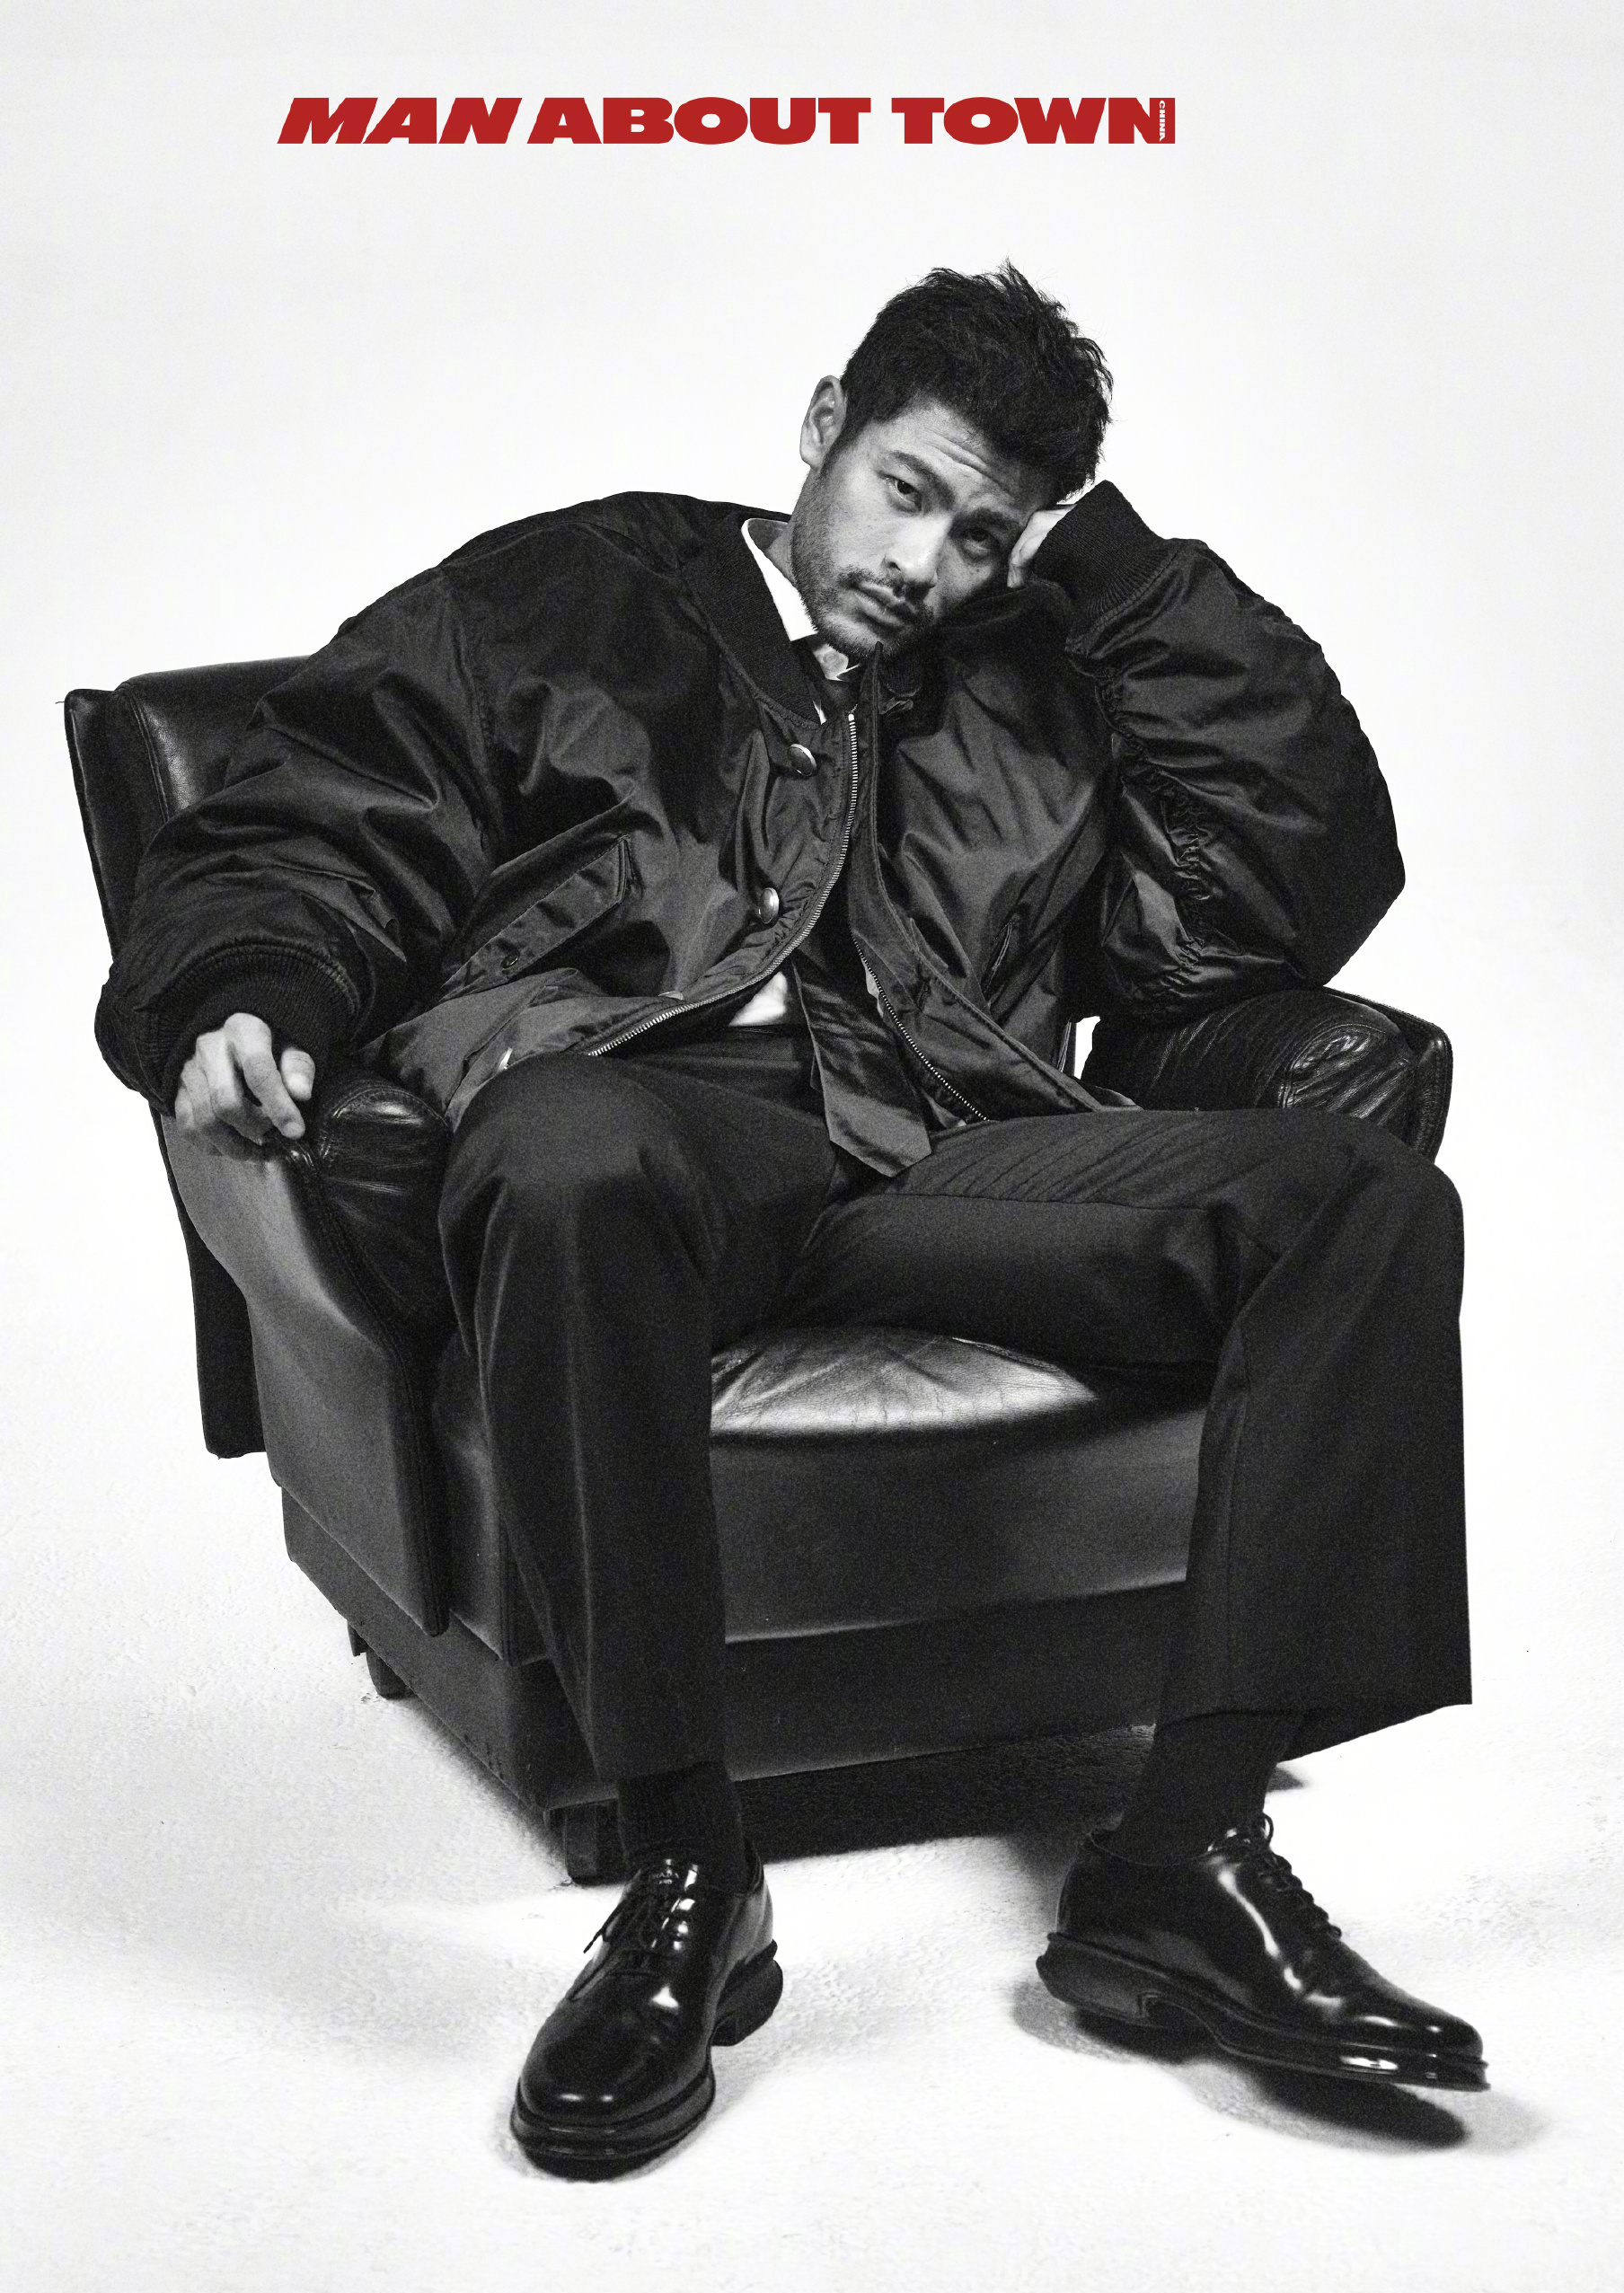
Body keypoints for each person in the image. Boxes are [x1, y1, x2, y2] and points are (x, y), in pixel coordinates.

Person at [96, 264, 1485, 2178]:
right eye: (907, 491)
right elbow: (313, 818)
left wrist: (1123, 585)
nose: (926, 565)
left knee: (1359, 1201)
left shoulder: (1032, 664)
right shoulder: (570, 596)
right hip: (645, 1126)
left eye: (984, 535)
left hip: (944, 1153)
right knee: (565, 1152)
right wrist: (252, 984)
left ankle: (1184, 1858)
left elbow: (1288, 882)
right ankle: (691, 1870)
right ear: (826, 422)